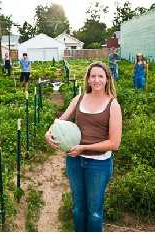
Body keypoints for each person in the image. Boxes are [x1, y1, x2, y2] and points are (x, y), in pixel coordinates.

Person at [45, 62, 122, 232]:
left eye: (100, 76)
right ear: (87, 79)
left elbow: (114, 143)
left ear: (107, 79)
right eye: (93, 76)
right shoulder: (78, 99)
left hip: (98, 164)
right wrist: (48, 132)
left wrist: (83, 148)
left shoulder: (113, 105)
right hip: (75, 161)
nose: (96, 80)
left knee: (94, 212)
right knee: (78, 207)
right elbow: (60, 120)